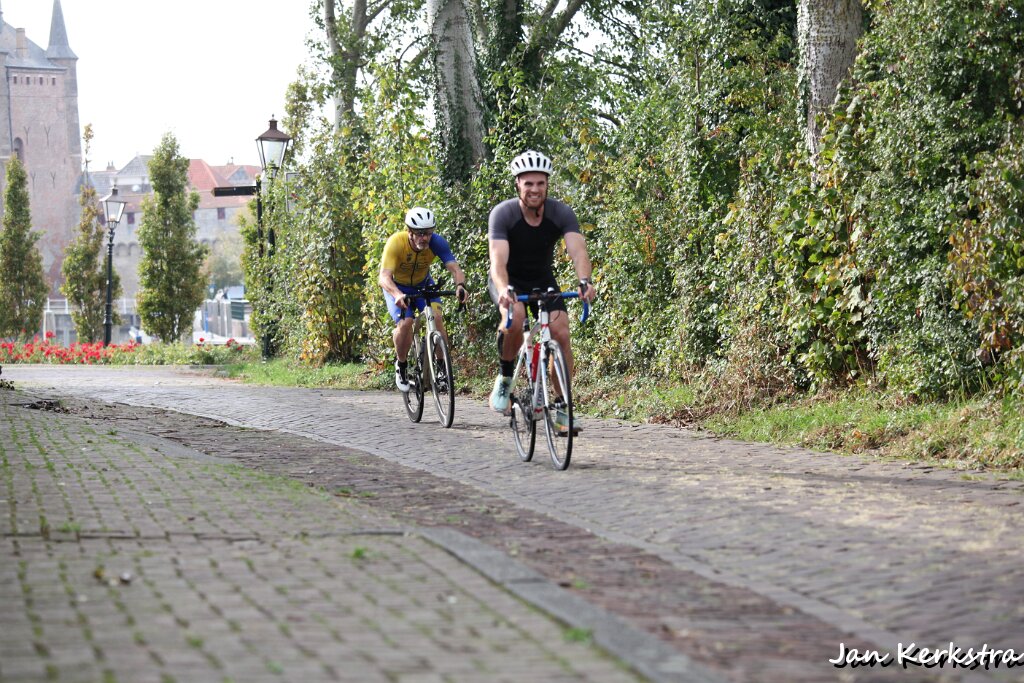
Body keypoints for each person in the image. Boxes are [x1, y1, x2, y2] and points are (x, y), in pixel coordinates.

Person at [487, 150, 596, 427]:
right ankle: (505, 377)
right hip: (508, 279)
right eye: (528, 183)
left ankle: (562, 405)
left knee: (561, 333)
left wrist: (585, 281)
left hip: (542, 279)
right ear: (518, 184)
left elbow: (578, 251)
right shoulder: (503, 214)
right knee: (515, 317)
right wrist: (504, 289)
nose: (535, 189)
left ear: (547, 185)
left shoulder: (561, 212)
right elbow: (497, 261)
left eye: (540, 183)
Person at [379, 207, 468, 392]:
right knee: (406, 322)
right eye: (420, 233)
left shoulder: (437, 242)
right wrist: (397, 294)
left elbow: (455, 269)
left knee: (437, 317)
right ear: (409, 232)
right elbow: (384, 277)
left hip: (424, 285)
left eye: (428, 233)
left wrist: (460, 286)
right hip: (398, 288)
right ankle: (401, 365)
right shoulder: (396, 243)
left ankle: (441, 369)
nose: (425, 238)